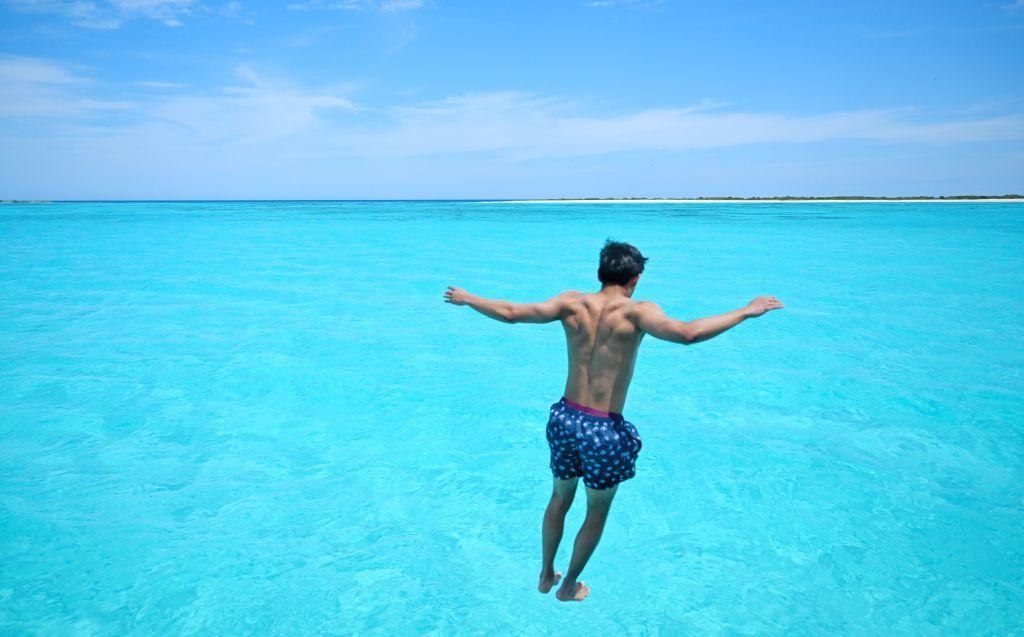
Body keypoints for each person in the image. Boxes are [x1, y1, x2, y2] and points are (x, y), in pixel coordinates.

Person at [442, 240, 783, 602]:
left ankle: (545, 574)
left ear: (600, 274)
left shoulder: (572, 302)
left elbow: (511, 312)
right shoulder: (637, 312)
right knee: (596, 511)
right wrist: (746, 311)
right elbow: (688, 333)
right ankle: (568, 585)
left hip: (564, 418)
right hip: (602, 429)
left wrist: (469, 298)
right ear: (636, 278)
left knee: (559, 499)